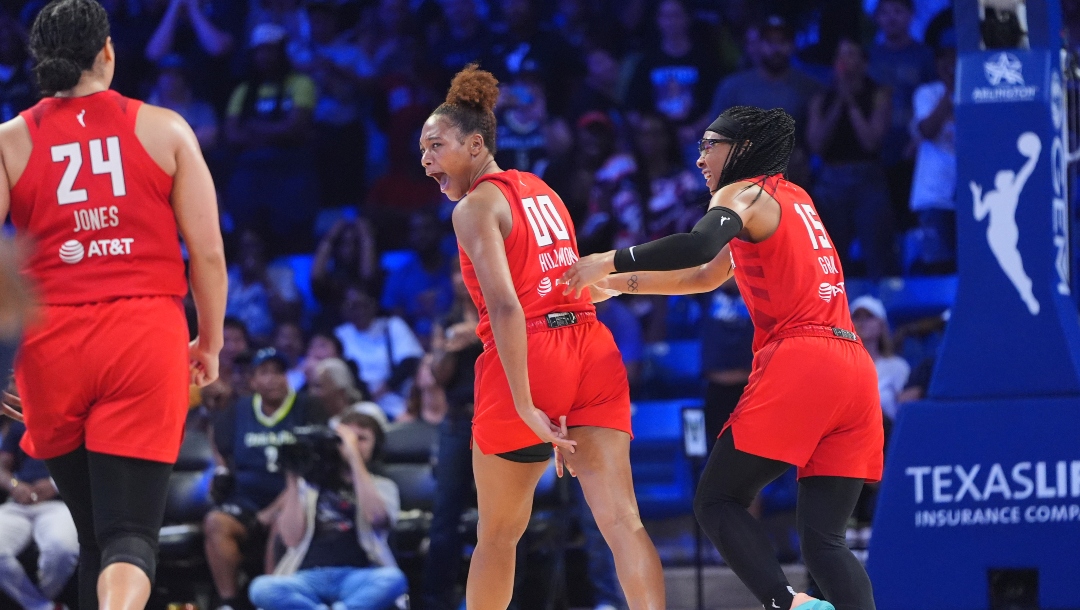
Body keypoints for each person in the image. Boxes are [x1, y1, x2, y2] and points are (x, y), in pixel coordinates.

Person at [562, 105, 883, 610]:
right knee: (825, 541)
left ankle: (789, 605)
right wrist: (619, 285)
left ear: (743, 149)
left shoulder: (743, 191)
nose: (699, 158)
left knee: (716, 500)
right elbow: (705, 275)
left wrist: (609, 257)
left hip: (805, 359)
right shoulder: (794, 198)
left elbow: (696, 244)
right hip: (854, 368)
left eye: (709, 144)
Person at [0, 2, 228, 610]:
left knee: (95, 536)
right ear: (107, 51)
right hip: (143, 335)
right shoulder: (165, 127)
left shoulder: (9, 139)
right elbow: (206, 254)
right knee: (129, 536)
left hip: (50, 347)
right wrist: (209, 341)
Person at [418, 64, 665, 610]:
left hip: (530, 354)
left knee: (498, 535)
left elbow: (507, 305)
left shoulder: (475, 205)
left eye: (436, 145)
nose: (426, 159)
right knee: (624, 520)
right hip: (591, 345)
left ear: (476, 144)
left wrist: (528, 405)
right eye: (422, 150)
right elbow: (573, 279)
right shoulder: (543, 190)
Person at [248, 413, 407, 610]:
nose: (353, 444)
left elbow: (376, 518)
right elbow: (290, 538)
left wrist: (354, 458)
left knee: (393, 579)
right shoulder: (308, 486)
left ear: (376, 447)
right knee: (260, 588)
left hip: (358, 575)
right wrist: (293, 479)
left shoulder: (382, 485)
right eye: (346, 439)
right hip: (309, 577)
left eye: (362, 439)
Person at [205, 348, 319, 610]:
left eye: (279, 372)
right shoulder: (240, 409)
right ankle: (229, 602)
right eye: (264, 373)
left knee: (282, 525)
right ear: (253, 381)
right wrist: (221, 470)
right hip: (246, 499)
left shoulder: (307, 406)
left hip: (294, 497)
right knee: (216, 523)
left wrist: (274, 509)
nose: (273, 379)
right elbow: (219, 442)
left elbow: (310, 469)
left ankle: (270, 602)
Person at [0, 421, 79, 610]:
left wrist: (54, 484)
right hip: (19, 503)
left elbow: (91, 464)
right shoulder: (20, 422)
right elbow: (2, 467)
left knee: (62, 549)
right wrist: (14, 486)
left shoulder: (76, 420)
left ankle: (39, 601)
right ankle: (43, 606)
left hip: (60, 502)